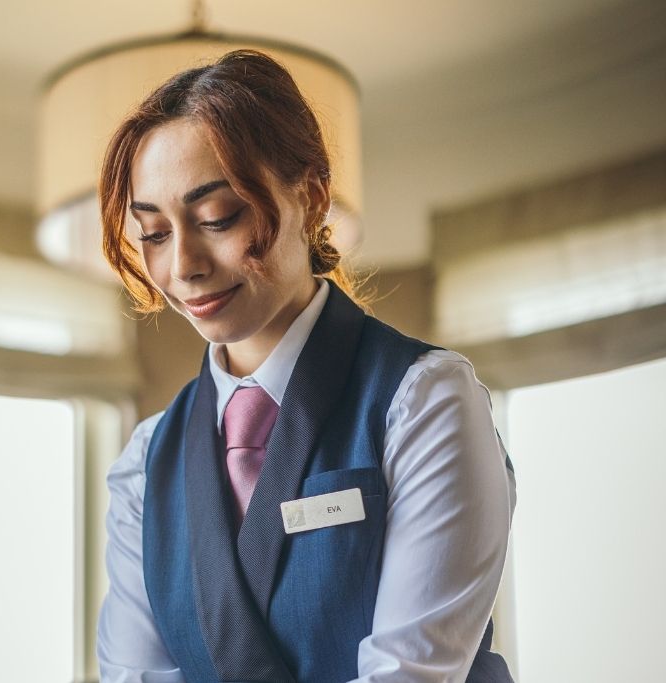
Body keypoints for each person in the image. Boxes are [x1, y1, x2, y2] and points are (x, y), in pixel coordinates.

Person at [95, 49, 516, 683]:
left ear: (312, 197)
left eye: (217, 218)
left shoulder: (424, 401)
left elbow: (411, 673)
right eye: (154, 233)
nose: (183, 266)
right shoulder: (146, 461)